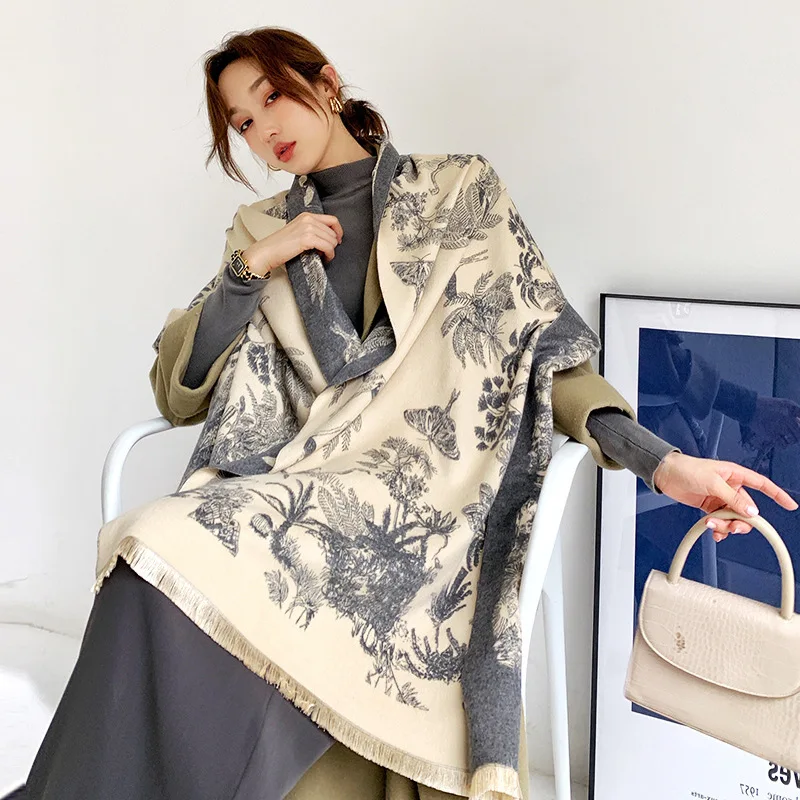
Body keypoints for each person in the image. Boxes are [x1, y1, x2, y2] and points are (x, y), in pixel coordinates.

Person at [7, 25, 797, 800]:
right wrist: (254, 266)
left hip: (435, 495)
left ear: (326, 82)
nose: (263, 130)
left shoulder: (460, 191)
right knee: (151, 540)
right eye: (242, 122)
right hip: (301, 481)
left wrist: (663, 464)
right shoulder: (260, 229)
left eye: (273, 96)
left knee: (177, 544)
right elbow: (176, 388)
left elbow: (537, 355)